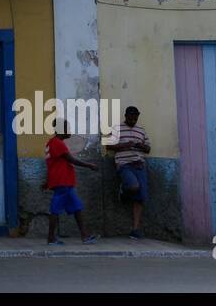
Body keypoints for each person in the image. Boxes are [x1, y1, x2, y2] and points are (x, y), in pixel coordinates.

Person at [45, 122, 99, 245]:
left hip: (65, 182)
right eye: (66, 128)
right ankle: (51, 238)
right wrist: (89, 165)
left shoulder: (52, 143)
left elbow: (51, 164)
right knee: (55, 210)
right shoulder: (57, 143)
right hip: (62, 182)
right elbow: (71, 159)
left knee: (77, 208)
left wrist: (48, 181)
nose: (69, 130)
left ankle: (85, 236)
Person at [106, 105, 151, 239]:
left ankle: (135, 229)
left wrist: (139, 145)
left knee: (140, 198)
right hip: (124, 164)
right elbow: (108, 145)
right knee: (133, 186)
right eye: (131, 118)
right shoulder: (117, 129)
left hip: (140, 165)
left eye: (135, 118)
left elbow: (148, 149)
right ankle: (123, 190)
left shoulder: (141, 130)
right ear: (126, 116)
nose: (133, 120)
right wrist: (125, 145)